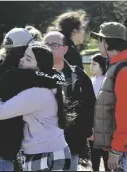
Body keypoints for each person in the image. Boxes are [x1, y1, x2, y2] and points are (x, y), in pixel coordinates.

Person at [0, 42, 71, 171]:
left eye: (28, 59)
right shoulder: (49, 85)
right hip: (56, 150)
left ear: (39, 67)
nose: (21, 60)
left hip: (43, 154)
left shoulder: (36, 93)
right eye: (23, 56)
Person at [91, 22, 127, 171]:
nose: (98, 44)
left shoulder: (125, 71)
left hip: (123, 149)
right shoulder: (119, 67)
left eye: (100, 40)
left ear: (106, 43)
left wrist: (116, 150)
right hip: (123, 146)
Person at [43, 31, 96, 171]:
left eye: (54, 45)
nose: (48, 48)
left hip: (70, 144)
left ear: (65, 49)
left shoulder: (77, 76)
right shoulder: (33, 73)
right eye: (45, 45)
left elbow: (90, 106)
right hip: (39, 146)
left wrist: (85, 132)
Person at [88, 53, 109, 171]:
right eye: (91, 63)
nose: (91, 66)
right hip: (93, 122)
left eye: (94, 64)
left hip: (104, 123)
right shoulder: (91, 80)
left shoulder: (107, 81)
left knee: (106, 155)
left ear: (102, 65)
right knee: (94, 154)